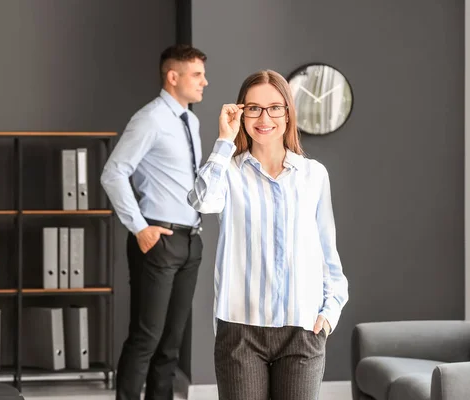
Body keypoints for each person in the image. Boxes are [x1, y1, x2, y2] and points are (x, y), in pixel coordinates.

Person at [187, 70, 349, 400]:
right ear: (241, 113)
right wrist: (223, 141)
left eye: (275, 107)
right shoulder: (229, 172)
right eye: (254, 108)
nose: (265, 118)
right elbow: (201, 201)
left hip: (302, 332)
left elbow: (327, 253)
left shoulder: (313, 175)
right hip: (240, 332)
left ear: (288, 113)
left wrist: (329, 313)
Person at [100, 44, 208, 400]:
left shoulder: (190, 120)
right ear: (172, 76)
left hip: (190, 241)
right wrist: (139, 228)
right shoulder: (149, 118)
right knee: (146, 339)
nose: (204, 82)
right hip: (158, 239)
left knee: (171, 344)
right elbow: (114, 173)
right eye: (197, 75)